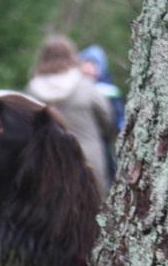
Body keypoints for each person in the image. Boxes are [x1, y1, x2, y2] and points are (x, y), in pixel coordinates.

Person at [27, 35, 118, 195]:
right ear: (72, 55)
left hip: (47, 163)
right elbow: (108, 120)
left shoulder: (31, 91)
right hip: (88, 162)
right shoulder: (86, 86)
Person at [79, 44, 126, 133]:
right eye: (86, 63)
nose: (88, 68)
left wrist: (121, 128)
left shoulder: (110, 91)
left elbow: (119, 116)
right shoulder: (75, 88)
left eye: (93, 64)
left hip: (103, 137)